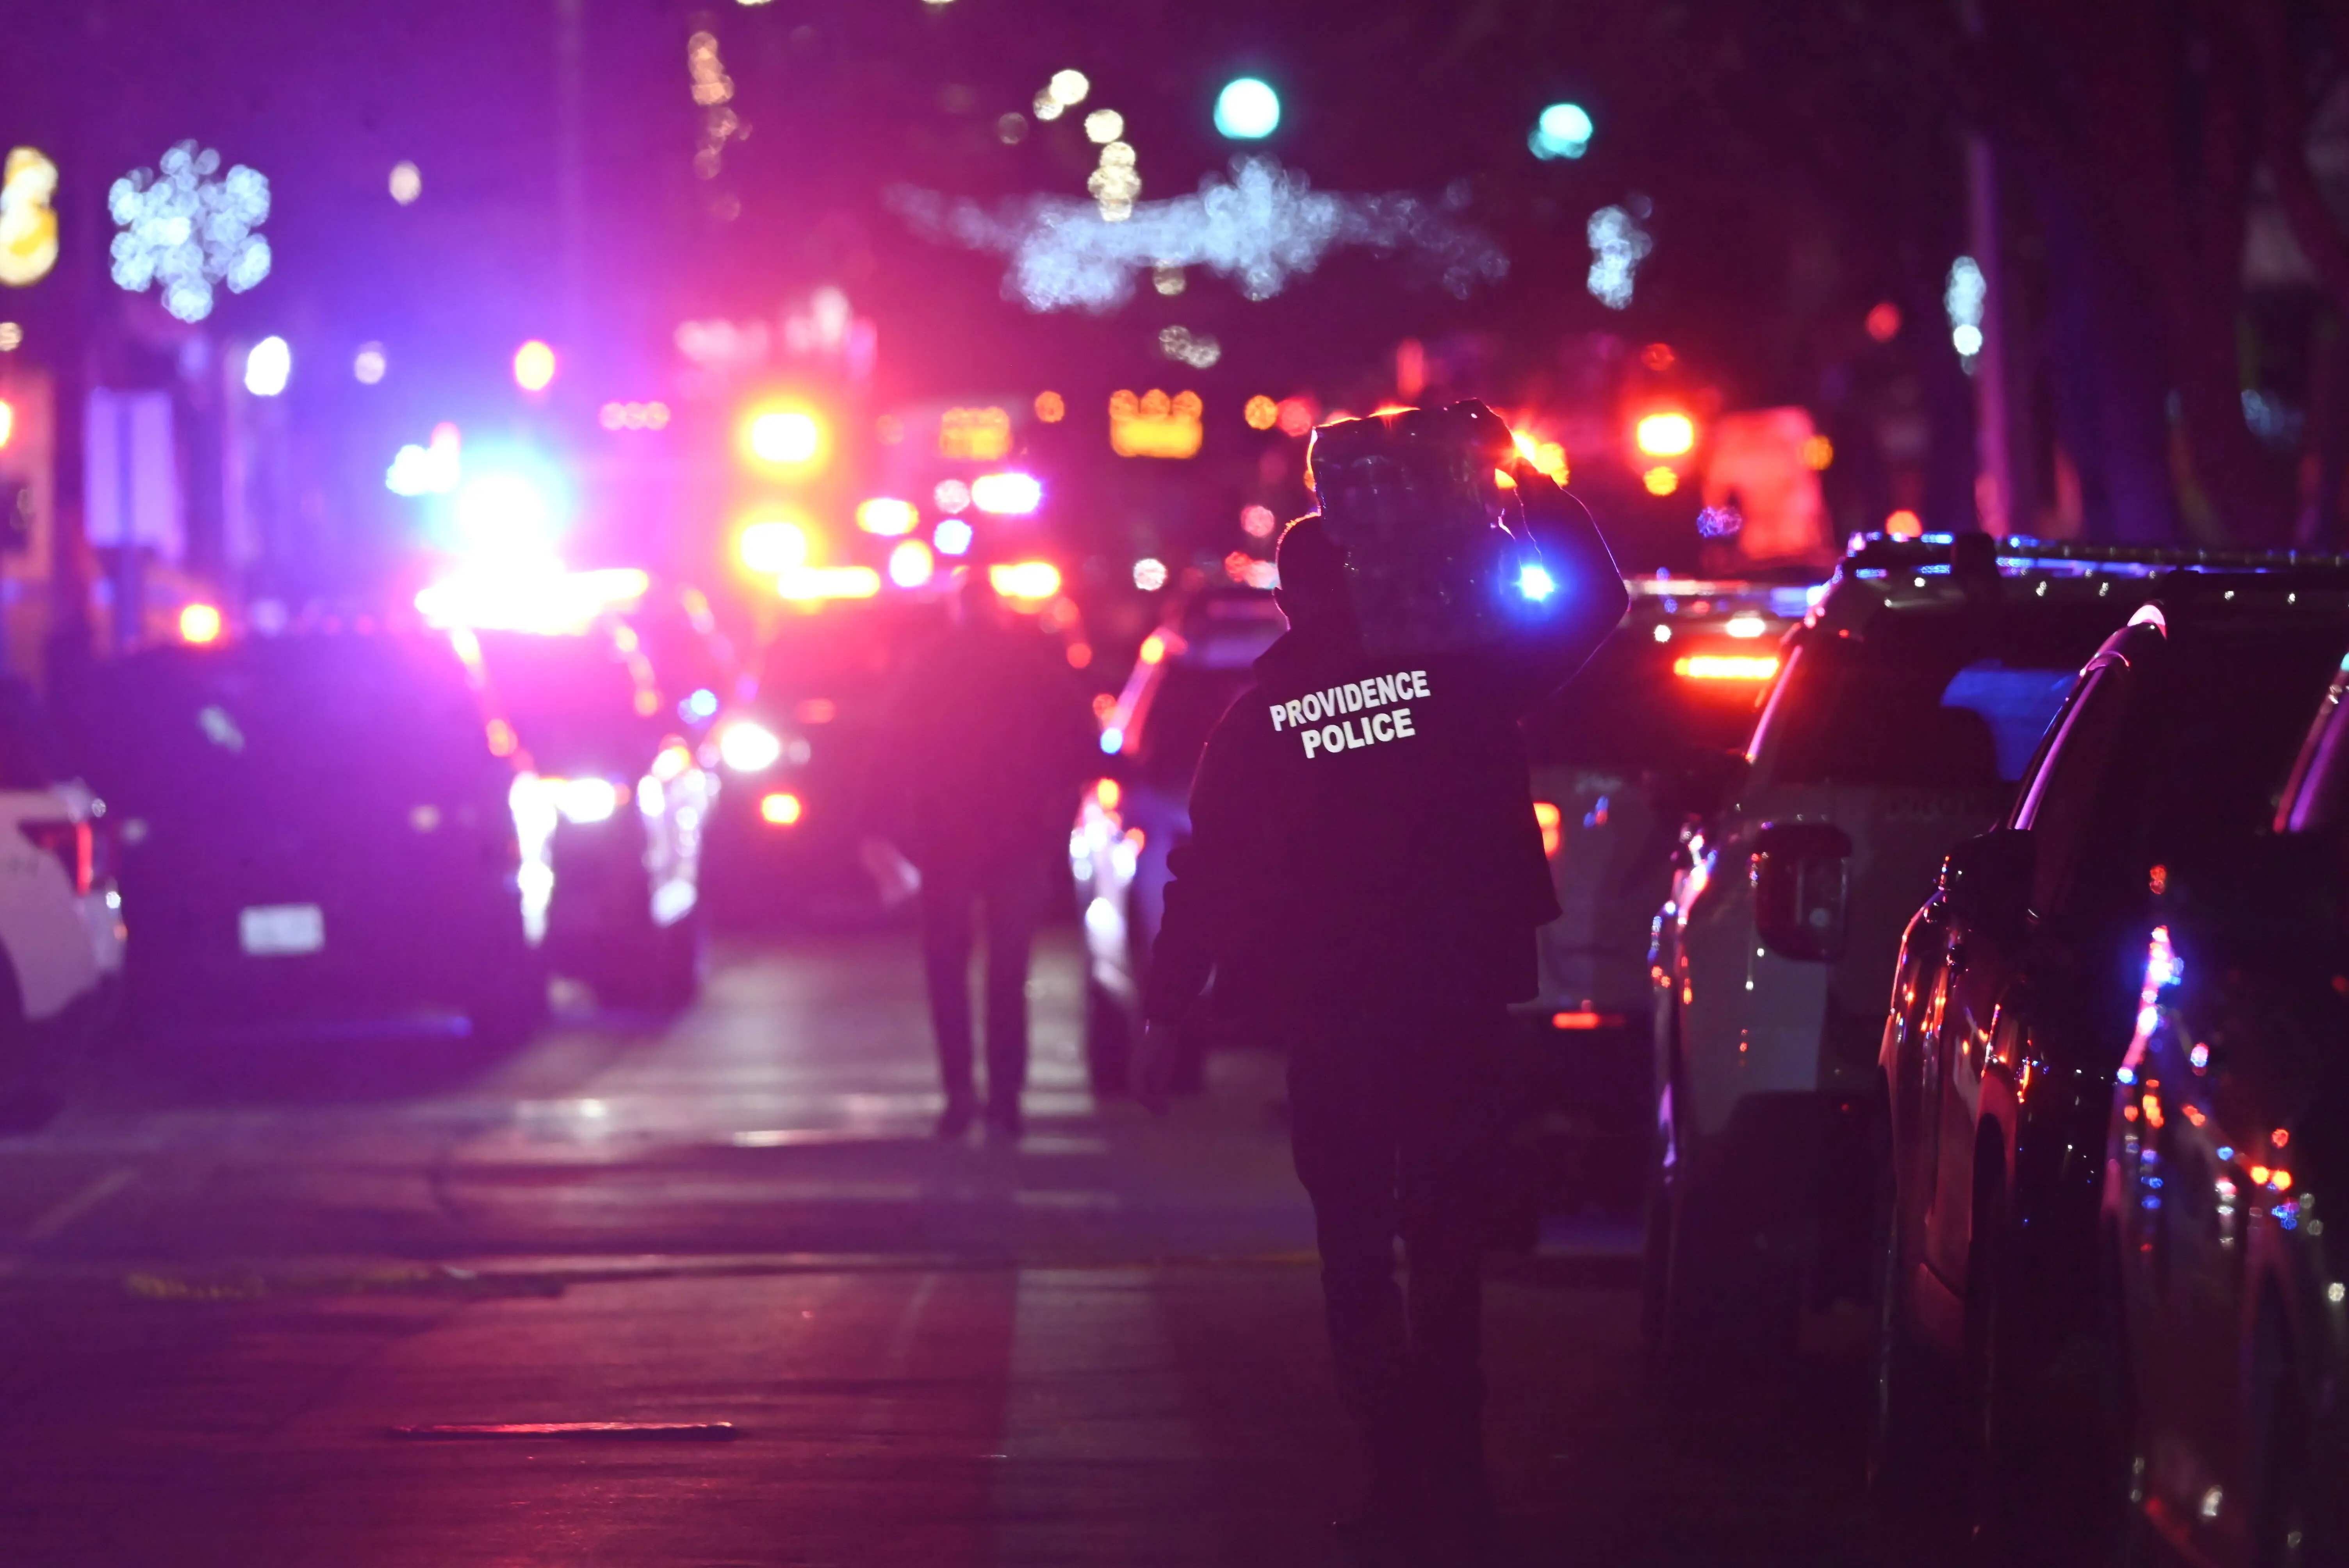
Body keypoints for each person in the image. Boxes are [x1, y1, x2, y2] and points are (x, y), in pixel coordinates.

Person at [1135, 441, 1625, 1561]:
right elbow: (1597, 600)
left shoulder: (1265, 720)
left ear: (1292, 600)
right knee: (1446, 1241)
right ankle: (1460, 1484)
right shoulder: (1464, 683)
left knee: (1353, 1245)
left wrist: (1166, 1013)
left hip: (1336, 1010)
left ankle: (1397, 1485)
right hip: (1452, 996)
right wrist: (1524, 480)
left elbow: (1206, 874)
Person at [870, 568, 1098, 1142]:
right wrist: (1058, 805)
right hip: (1016, 836)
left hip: (948, 838)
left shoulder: (929, 668)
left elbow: (890, 748)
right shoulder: (1030, 667)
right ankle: (1005, 1101)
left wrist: (878, 824)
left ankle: (959, 1097)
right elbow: (1081, 737)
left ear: (957, 612)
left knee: (947, 970)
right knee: (1009, 971)